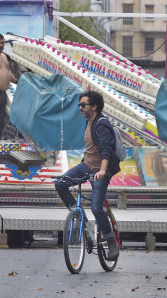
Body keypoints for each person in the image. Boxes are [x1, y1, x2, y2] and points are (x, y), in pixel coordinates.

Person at [54, 90, 121, 260]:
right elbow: (92, 148)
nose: (80, 108)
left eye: (83, 105)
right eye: (79, 105)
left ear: (94, 106)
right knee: (60, 183)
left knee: (96, 208)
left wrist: (103, 171)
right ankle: (77, 217)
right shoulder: (89, 122)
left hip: (100, 170)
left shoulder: (101, 124)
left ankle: (111, 240)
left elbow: (107, 149)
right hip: (87, 166)